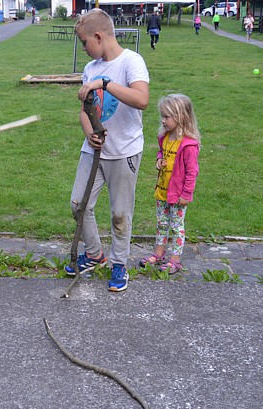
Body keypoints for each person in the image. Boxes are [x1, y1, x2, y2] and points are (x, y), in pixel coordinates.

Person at [66, 9, 150, 292]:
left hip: (124, 151)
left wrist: (105, 84)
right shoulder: (90, 69)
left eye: (85, 43)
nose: (84, 49)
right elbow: (84, 112)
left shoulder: (131, 62)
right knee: (78, 204)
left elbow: (141, 99)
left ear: (99, 37)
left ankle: (119, 264)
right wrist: (89, 133)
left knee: (119, 213)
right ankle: (94, 254)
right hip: (94, 151)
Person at [138, 94, 200, 275]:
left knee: (176, 227)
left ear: (181, 117)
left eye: (167, 117)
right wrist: (159, 160)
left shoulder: (188, 145)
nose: (163, 121)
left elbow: (192, 172)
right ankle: (158, 255)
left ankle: (175, 260)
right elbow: (161, 153)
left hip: (178, 195)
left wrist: (186, 194)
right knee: (162, 224)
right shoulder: (164, 138)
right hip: (162, 191)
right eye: (162, 116)